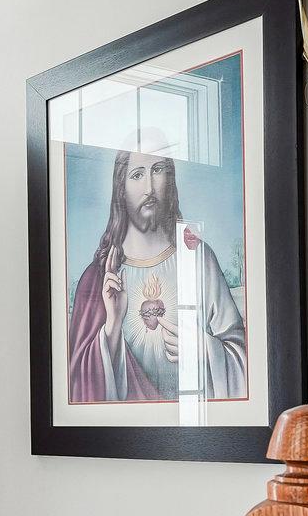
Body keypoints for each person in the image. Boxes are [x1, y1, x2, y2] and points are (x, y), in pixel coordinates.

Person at [66, 141, 248, 403]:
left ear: (170, 180)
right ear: (121, 188)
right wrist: (112, 327)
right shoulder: (97, 279)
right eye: (137, 174)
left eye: (158, 170)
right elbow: (77, 388)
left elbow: (244, 362)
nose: (149, 188)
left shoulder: (199, 259)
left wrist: (204, 349)